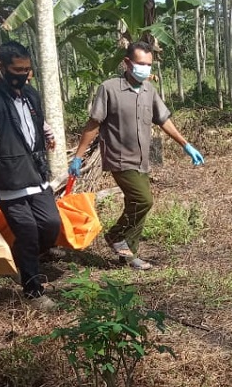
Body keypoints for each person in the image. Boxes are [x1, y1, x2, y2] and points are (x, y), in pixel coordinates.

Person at [68, 41, 204, 271]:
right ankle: (115, 235)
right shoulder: (109, 88)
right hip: (119, 158)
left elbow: (163, 120)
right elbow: (94, 123)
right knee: (144, 200)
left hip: (144, 157)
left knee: (137, 203)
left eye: (149, 64)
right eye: (141, 63)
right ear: (127, 63)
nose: (145, 69)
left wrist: (186, 144)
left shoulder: (149, 90)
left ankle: (129, 256)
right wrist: (79, 156)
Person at [0, 41, 60, 311]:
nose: (23, 74)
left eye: (27, 69)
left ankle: (22, 258)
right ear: (1, 66)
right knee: (28, 232)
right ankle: (33, 290)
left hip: (36, 174)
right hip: (9, 181)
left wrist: (47, 132)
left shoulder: (30, 94)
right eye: (17, 69)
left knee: (51, 225)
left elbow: (34, 121)